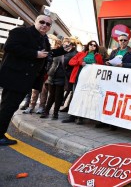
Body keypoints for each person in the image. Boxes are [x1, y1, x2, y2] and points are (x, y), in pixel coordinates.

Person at [0, 15, 68, 146]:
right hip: (15, 77)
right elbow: (9, 47)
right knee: (8, 107)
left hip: (25, 79)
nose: (44, 25)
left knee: (8, 107)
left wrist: (61, 50)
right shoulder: (21, 32)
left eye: (48, 24)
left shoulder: (44, 39)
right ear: (35, 22)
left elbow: (46, 53)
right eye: (42, 22)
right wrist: (35, 54)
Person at [95, 34, 131, 129]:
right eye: (121, 40)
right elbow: (110, 61)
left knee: (119, 101)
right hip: (111, 79)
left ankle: (114, 123)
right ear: (118, 41)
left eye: (125, 40)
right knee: (108, 99)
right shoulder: (114, 51)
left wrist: (123, 65)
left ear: (128, 41)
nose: (123, 42)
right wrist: (107, 62)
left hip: (122, 80)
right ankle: (104, 121)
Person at [61, 40, 104, 124]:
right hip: (78, 77)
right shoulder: (80, 54)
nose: (92, 46)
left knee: (85, 98)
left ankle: (80, 117)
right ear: (88, 45)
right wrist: (80, 62)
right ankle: (72, 116)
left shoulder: (98, 56)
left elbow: (101, 66)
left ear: (96, 48)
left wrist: (95, 66)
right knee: (75, 96)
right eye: (91, 44)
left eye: (94, 45)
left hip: (90, 80)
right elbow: (71, 62)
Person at [40, 38, 71, 119]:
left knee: (58, 96)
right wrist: (48, 71)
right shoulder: (57, 52)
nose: (66, 45)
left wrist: (66, 74)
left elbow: (70, 66)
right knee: (51, 96)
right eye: (64, 44)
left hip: (61, 77)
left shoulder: (71, 54)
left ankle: (55, 113)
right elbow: (49, 61)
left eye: (68, 44)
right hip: (52, 76)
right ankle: (46, 112)